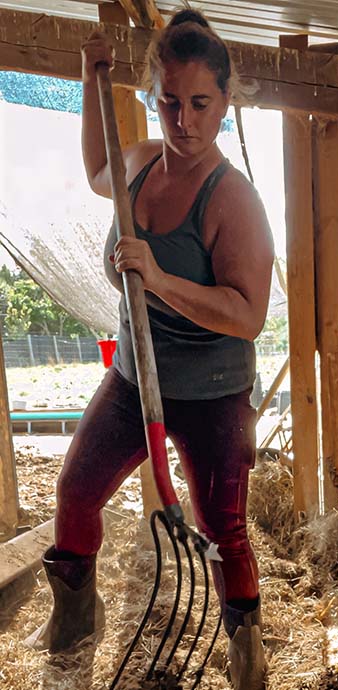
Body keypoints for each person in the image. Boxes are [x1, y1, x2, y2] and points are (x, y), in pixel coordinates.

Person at [26, 8, 274, 690]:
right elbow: (100, 168)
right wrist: (87, 81)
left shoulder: (235, 203)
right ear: (151, 97)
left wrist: (158, 278)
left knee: (222, 530)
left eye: (200, 103)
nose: (184, 120)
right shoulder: (138, 164)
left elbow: (249, 315)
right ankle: (76, 621)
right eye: (169, 102)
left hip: (214, 391)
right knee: (76, 492)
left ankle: (247, 649)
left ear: (224, 102)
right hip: (136, 379)